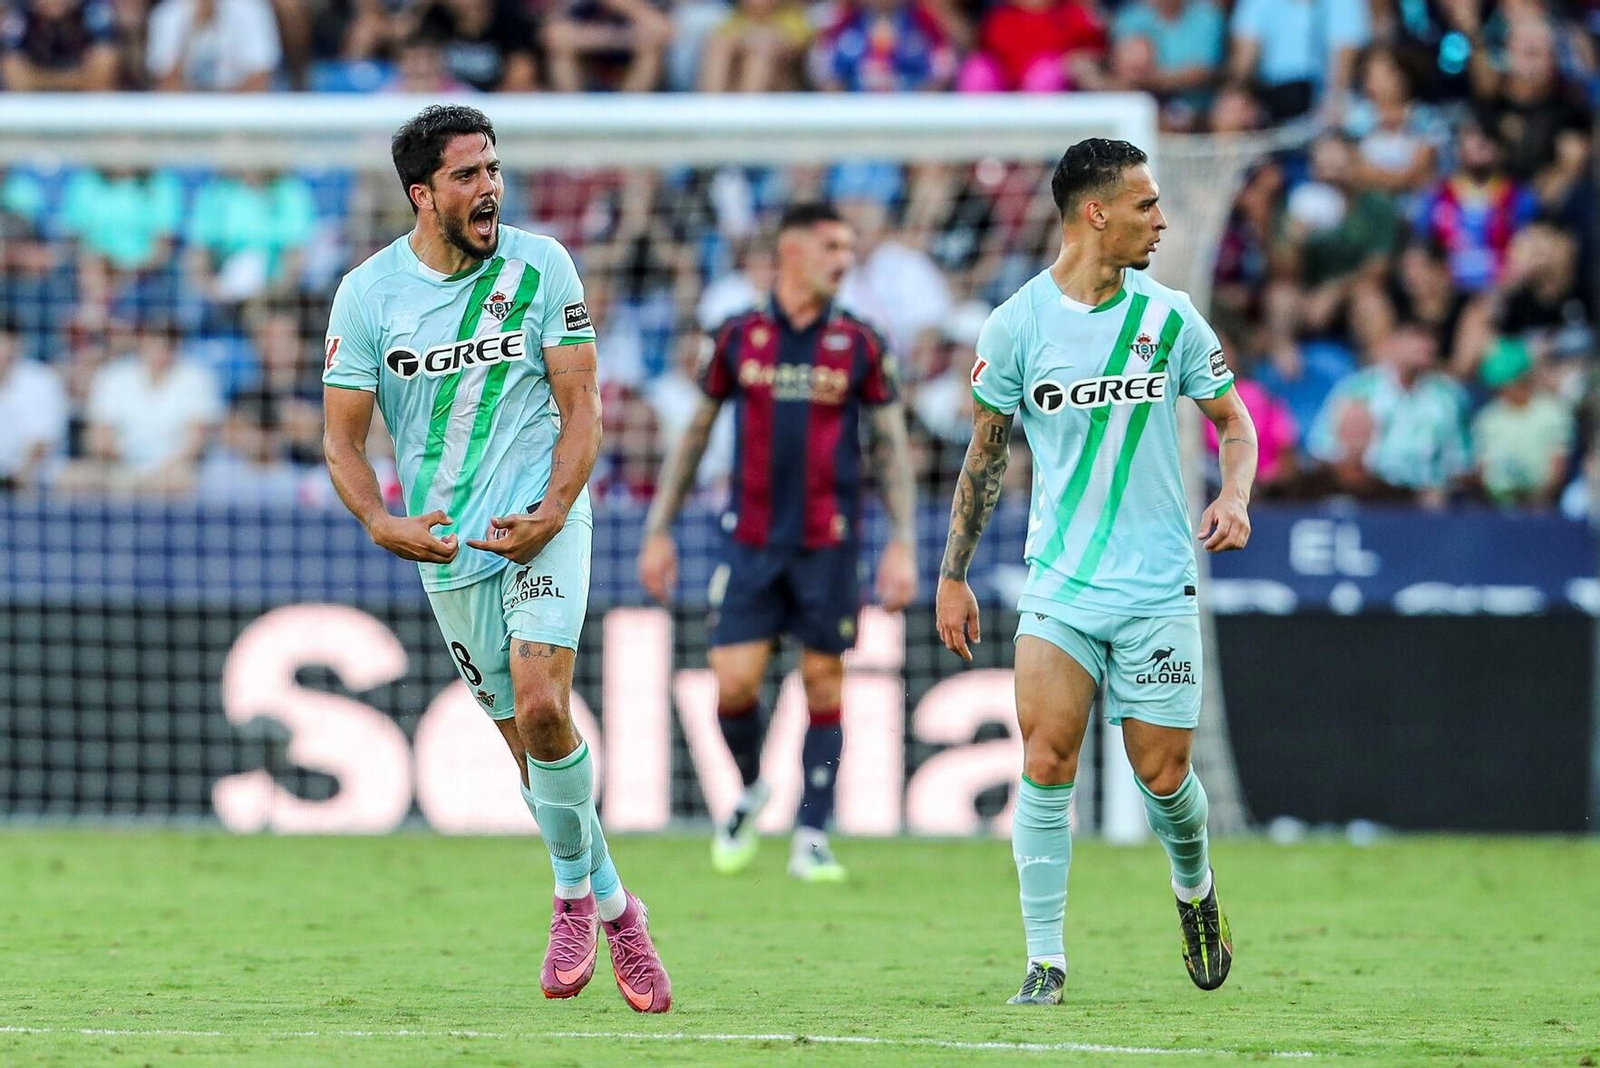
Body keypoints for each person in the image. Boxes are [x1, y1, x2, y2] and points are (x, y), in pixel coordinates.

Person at [320, 105, 671, 1013]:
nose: (490, 189)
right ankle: (615, 903)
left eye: (494, 169)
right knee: (527, 744)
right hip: (449, 548)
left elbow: (582, 400)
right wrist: (379, 521)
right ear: (422, 194)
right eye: (469, 176)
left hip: (544, 518)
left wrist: (555, 508)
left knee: (547, 701)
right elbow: (344, 443)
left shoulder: (541, 264)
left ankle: (573, 906)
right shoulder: (367, 296)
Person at [934, 139, 1257, 1005]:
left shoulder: (1173, 318)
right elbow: (986, 459)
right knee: (1044, 760)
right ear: (1095, 213)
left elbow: (1234, 421)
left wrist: (1234, 494)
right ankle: (1046, 962)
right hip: (1061, 585)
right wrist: (953, 573)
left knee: (1162, 776)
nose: (1162, 219)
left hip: (1157, 585)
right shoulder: (1015, 327)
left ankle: (1194, 889)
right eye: (1147, 205)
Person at [636, 202, 918, 882]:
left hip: (829, 544)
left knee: (824, 682)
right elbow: (697, 434)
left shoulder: (861, 341)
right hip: (751, 542)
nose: (844, 260)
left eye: (849, 248)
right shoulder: (737, 337)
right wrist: (658, 530)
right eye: (831, 246)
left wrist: (903, 539)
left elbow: (889, 446)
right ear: (792, 251)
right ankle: (753, 785)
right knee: (732, 685)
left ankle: (813, 833)